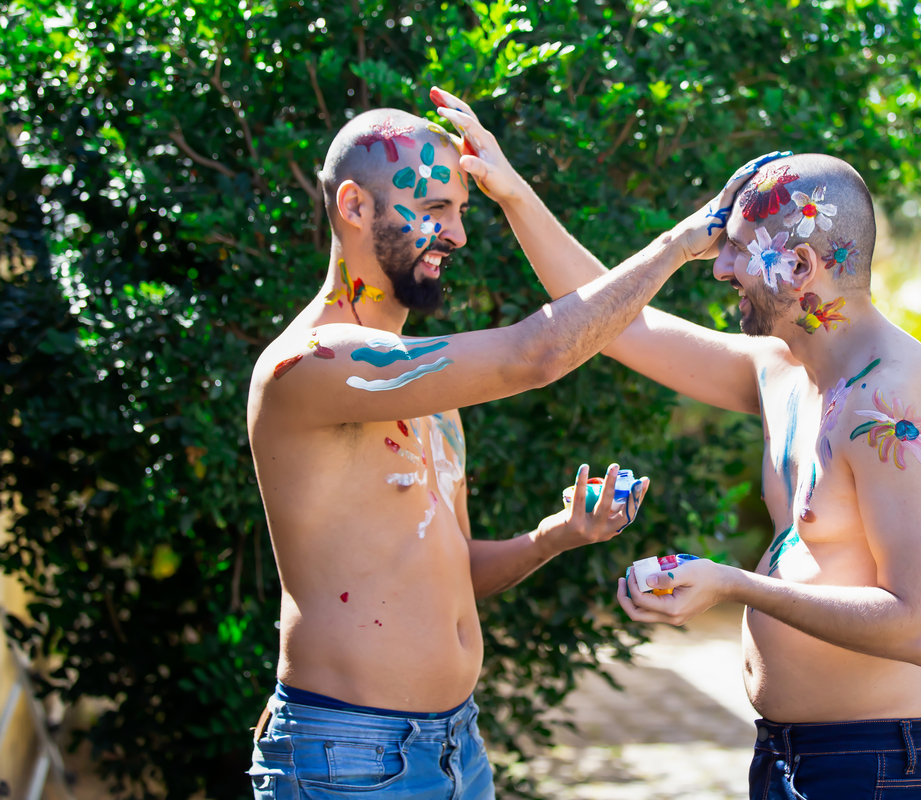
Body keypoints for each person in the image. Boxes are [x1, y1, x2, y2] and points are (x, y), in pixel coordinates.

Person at [245, 87, 769, 800]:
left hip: (457, 749)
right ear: (355, 206)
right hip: (348, 757)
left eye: (462, 211)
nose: (458, 235)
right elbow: (535, 354)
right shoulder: (311, 366)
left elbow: (453, 568)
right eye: (436, 208)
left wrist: (556, 535)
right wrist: (680, 244)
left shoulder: (426, 397)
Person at [504, 143, 921, 796]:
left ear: (802, 265)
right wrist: (511, 192)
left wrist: (730, 584)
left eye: (736, 250)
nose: (721, 267)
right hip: (787, 754)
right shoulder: (783, 370)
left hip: (872, 764)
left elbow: (918, 627)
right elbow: (613, 323)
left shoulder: (893, 403)